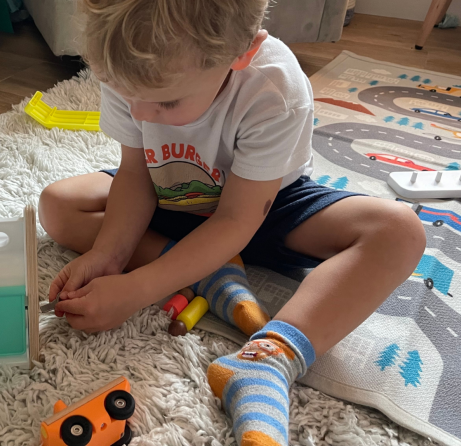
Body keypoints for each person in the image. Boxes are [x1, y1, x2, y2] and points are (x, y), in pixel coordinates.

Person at [38, 1, 426, 444]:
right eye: (125, 94)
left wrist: (141, 286)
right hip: (173, 196)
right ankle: (206, 272)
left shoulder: (274, 86)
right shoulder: (129, 64)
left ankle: (268, 360)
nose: (141, 114)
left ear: (241, 53)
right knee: (58, 204)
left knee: (398, 231)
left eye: (166, 101)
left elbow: (238, 218)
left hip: (261, 208)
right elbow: (136, 173)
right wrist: (111, 253)